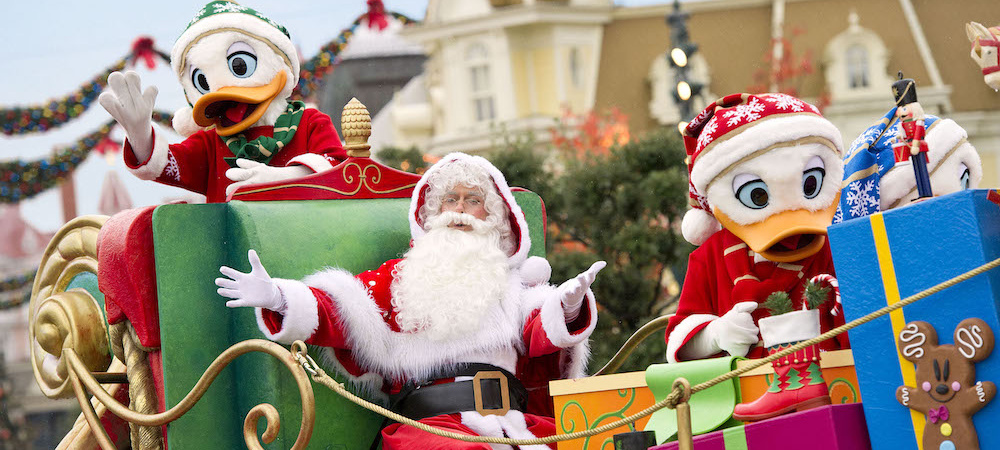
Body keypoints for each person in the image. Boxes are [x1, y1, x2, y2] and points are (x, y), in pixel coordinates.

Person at [217, 153, 605, 449]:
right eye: (450, 200)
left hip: (511, 422)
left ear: (495, 216)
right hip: (429, 427)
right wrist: (280, 297)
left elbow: (541, 329)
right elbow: (340, 309)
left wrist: (567, 306)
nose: (459, 210)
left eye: (472, 200)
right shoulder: (401, 279)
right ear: (433, 211)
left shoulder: (510, 283)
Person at [99, 1, 346, 202]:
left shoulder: (309, 123)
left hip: (305, 249)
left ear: (278, 62)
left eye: (240, 65)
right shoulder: (212, 144)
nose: (225, 92)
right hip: (231, 259)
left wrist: (284, 177)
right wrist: (140, 136)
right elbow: (166, 165)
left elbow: (339, 170)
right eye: (202, 82)